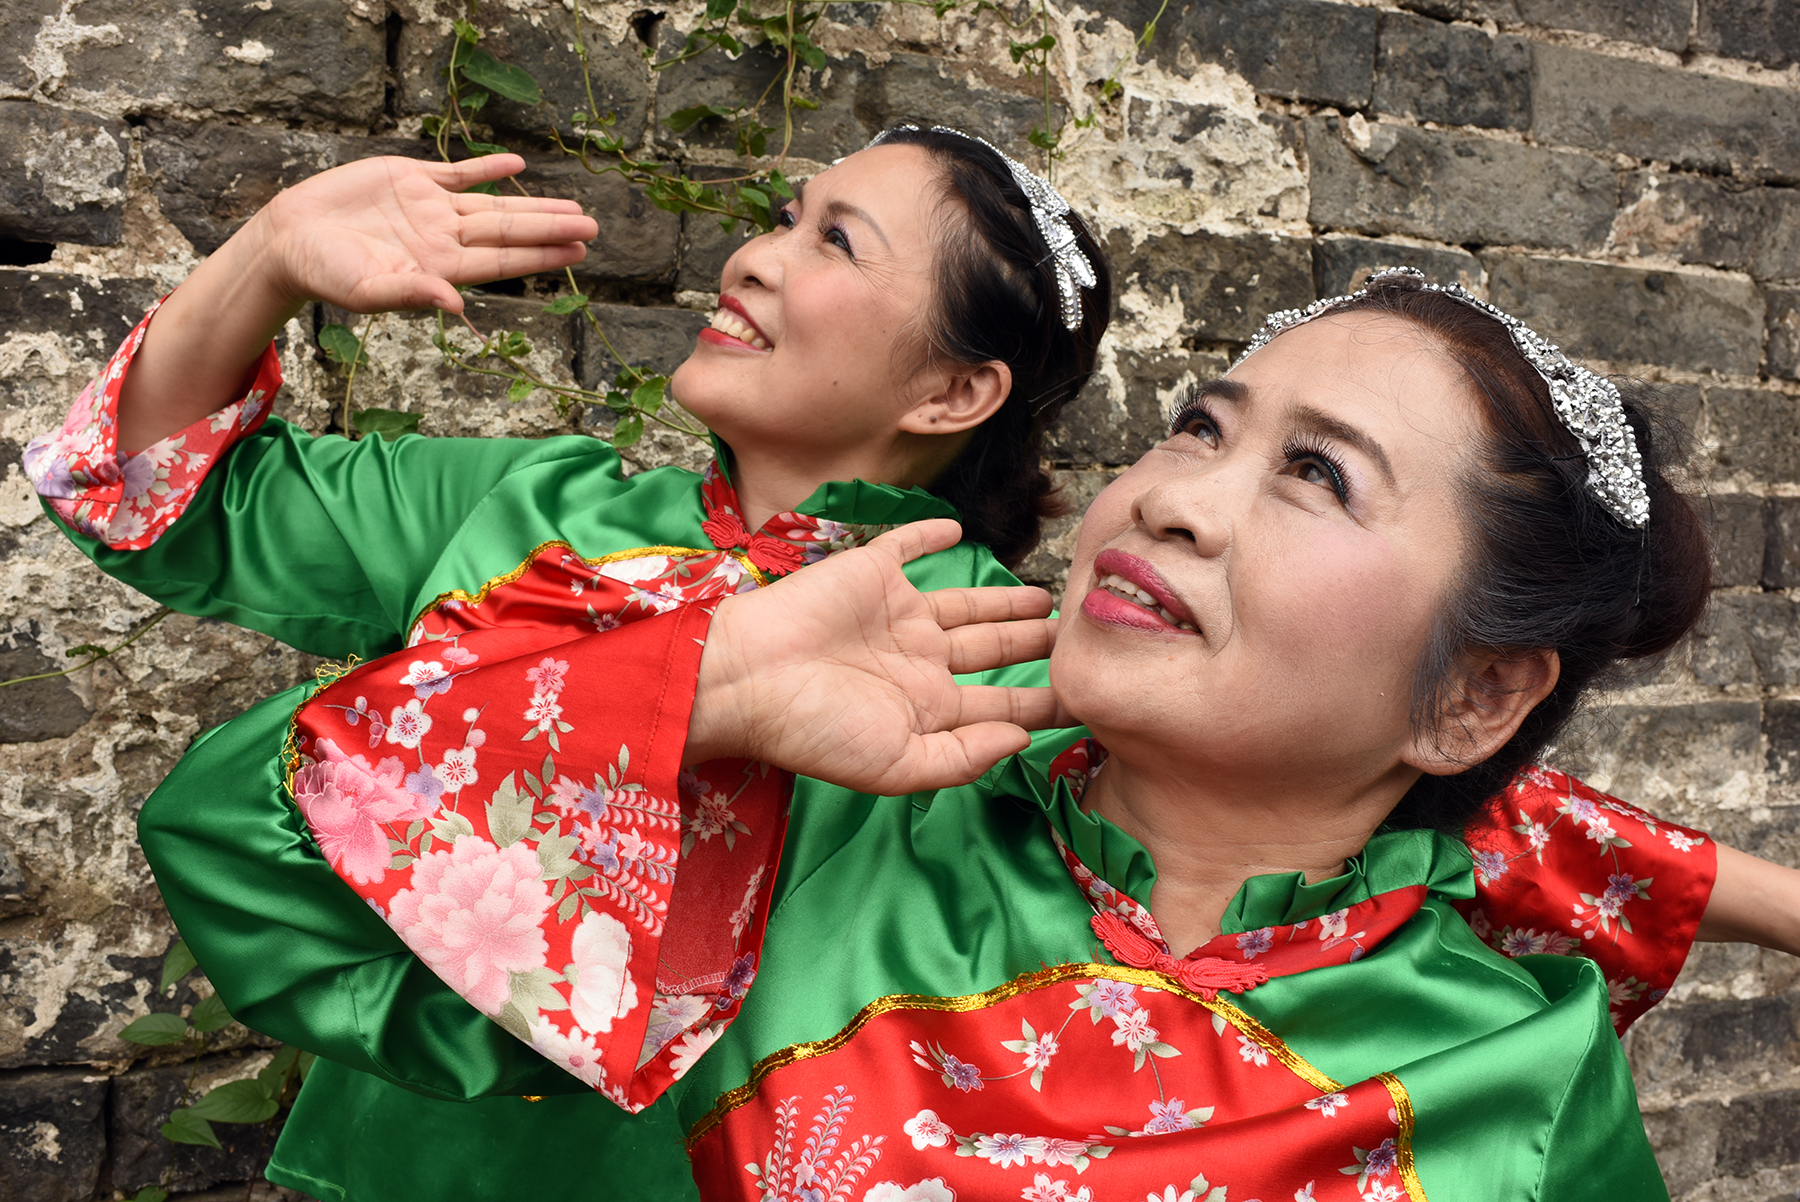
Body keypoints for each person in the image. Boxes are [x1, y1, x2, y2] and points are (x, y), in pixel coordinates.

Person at [22, 124, 1793, 1196]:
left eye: (831, 239)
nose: (1177, 503)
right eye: (1196, 426)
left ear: (959, 398)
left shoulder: (974, 666)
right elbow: (228, 744)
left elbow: (1471, 831)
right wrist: (686, 699)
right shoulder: (816, 765)